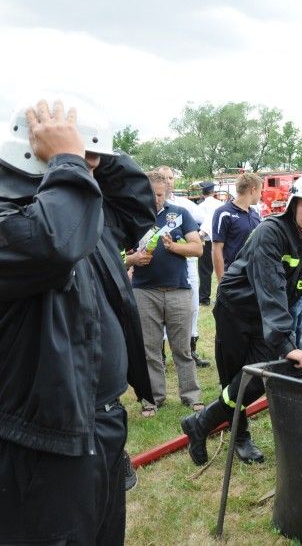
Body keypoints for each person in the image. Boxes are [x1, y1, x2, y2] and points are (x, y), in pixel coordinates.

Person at [0, 98, 154, 545]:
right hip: (43, 439)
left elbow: (136, 205)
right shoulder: (20, 221)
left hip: (100, 422)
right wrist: (67, 160)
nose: (87, 167)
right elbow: (53, 242)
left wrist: (92, 150)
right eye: (79, 157)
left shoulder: (82, 213)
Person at [181, 173, 302, 466]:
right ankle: (240, 436)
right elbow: (270, 290)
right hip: (236, 310)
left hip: (267, 317)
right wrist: (286, 344)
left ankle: (200, 423)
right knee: (236, 376)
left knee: (256, 380)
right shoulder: (270, 232)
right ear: (293, 205)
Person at [128, 171, 204, 416]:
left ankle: (191, 396)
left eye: (160, 195)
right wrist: (133, 259)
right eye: (151, 195)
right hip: (143, 292)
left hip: (178, 291)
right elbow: (114, 256)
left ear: (168, 193)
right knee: (149, 350)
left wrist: (175, 247)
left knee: (182, 349)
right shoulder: (133, 217)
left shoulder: (180, 214)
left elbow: (198, 248)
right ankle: (152, 399)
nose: (155, 199)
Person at [156, 165, 206, 367]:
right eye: (164, 178)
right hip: (158, 273)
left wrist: (185, 242)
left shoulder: (185, 206)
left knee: (191, 308)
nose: (169, 181)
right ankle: (160, 353)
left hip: (186, 265)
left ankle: (190, 349)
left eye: (171, 177)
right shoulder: (148, 204)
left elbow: (204, 225)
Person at [211, 172, 262, 281]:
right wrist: (222, 282)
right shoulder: (223, 213)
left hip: (254, 278)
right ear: (253, 190)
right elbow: (216, 249)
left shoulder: (255, 214)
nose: (261, 195)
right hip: (233, 278)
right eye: (260, 191)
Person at [196, 180, 221, 306]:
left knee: (205, 270)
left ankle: (204, 298)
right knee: (221, 269)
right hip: (220, 241)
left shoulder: (200, 206)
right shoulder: (220, 204)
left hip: (205, 241)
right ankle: (221, 296)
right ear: (213, 191)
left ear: (203, 192)